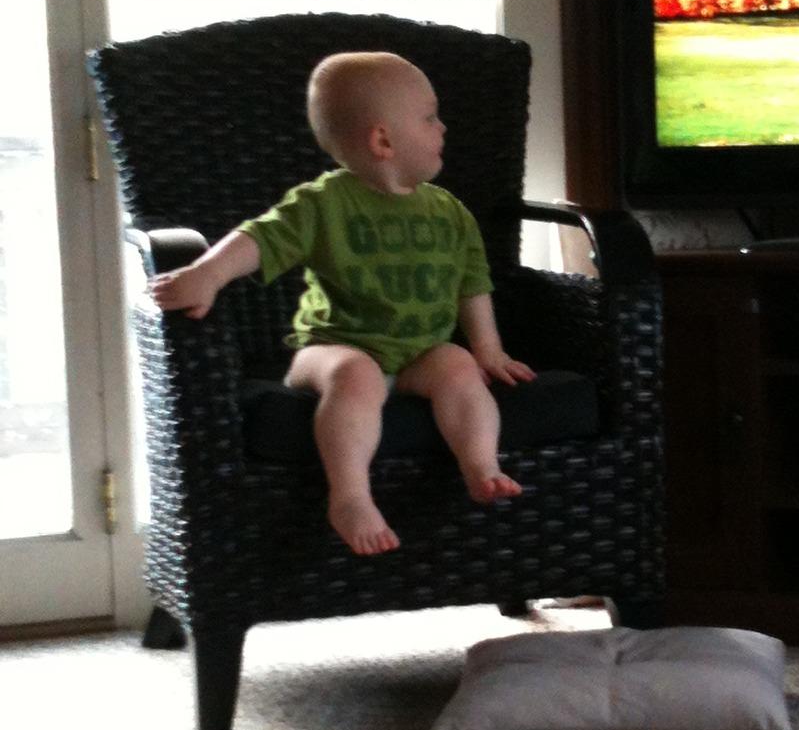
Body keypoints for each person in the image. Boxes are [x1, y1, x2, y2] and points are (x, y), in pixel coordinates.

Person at [147, 50, 535, 557]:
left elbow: (472, 283)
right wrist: (207, 273)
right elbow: (261, 238)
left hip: (420, 352)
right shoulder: (323, 203)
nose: (443, 127)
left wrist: (488, 349)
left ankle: (481, 465)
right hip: (332, 348)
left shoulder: (450, 213)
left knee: (459, 366)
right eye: (429, 117)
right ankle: (350, 496)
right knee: (357, 375)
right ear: (383, 140)